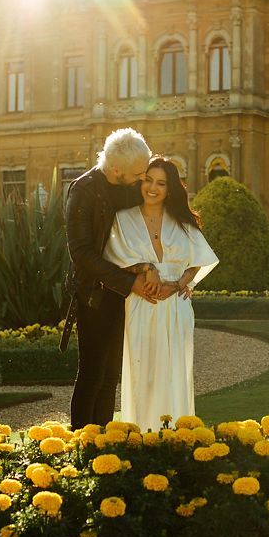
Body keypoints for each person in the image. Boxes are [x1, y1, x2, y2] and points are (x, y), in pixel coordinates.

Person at [104, 156, 219, 431]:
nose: (152, 188)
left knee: (175, 375)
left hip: (176, 307)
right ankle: (142, 436)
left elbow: (199, 261)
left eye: (161, 183)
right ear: (140, 182)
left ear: (170, 188)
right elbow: (112, 259)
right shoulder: (123, 219)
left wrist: (180, 284)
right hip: (141, 303)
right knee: (144, 375)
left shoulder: (181, 221)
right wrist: (146, 268)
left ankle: (179, 437)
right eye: (148, 180)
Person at [62, 128, 161, 429]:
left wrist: (151, 266)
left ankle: (102, 439)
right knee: (92, 374)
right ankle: (82, 443)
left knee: (110, 377)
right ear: (116, 169)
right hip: (94, 295)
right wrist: (129, 282)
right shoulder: (83, 191)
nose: (142, 179)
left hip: (122, 295)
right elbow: (81, 254)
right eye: (138, 173)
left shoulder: (129, 182)